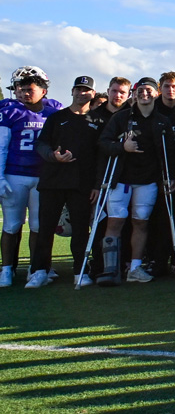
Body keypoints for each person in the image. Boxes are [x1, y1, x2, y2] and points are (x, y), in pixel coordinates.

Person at [96, 77, 174, 285]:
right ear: (135, 93)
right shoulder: (122, 118)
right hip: (121, 180)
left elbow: (169, 153)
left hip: (148, 181)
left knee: (141, 223)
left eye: (148, 90)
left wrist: (169, 177)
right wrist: (123, 147)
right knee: (115, 221)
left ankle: (136, 267)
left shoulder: (162, 121)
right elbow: (104, 143)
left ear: (156, 93)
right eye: (140, 90)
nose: (144, 94)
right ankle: (110, 269)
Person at [30, 75, 95, 288]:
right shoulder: (56, 118)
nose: (81, 93)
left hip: (80, 184)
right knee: (45, 228)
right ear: (72, 91)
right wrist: (53, 156)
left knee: (79, 230)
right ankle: (40, 271)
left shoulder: (97, 121)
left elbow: (101, 155)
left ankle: (80, 271)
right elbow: (41, 145)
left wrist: (95, 184)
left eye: (86, 90)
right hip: (52, 182)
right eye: (78, 89)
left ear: (92, 94)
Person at [0, 66, 62, 287]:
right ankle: (6, 269)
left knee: (38, 226)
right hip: (15, 174)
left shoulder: (54, 111)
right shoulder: (9, 111)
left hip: (42, 176)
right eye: (22, 89)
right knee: (11, 225)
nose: (26, 93)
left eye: (31, 89)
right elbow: (1, 147)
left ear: (43, 90)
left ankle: (35, 269)